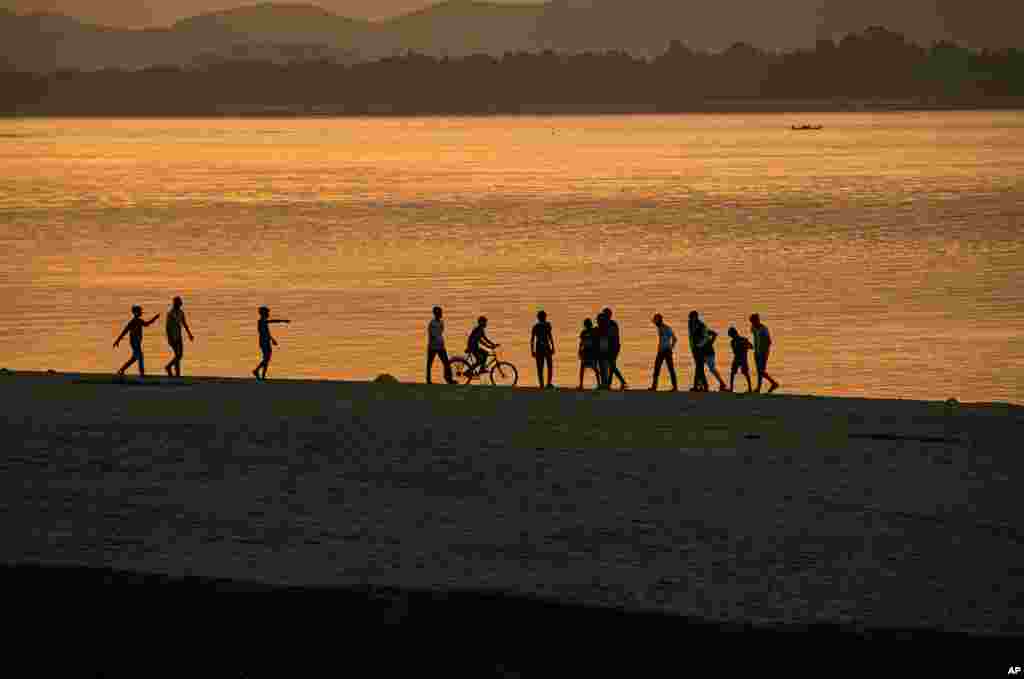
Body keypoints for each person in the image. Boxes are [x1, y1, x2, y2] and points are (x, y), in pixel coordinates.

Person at [114, 305, 160, 377]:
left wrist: (155, 318)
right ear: (135, 313)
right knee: (140, 357)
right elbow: (125, 331)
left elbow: (146, 324)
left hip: (137, 342)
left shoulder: (139, 321)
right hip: (134, 342)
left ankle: (122, 370)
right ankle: (142, 373)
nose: (141, 313)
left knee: (134, 358)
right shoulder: (132, 322)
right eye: (139, 312)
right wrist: (117, 340)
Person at [692, 312, 727, 391]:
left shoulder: (702, 327)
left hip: (708, 352)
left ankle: (722, 384)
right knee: (700, 369)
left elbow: (714, 334)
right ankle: (700, 386)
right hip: (702, 352)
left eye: (693, 318)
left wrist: (710, 343)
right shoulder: (697, 328)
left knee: (711, 369)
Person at [253, 306, 290, 380]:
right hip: (264, 342)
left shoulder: (263, 321)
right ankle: (257, 370)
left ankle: (263, 375)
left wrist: (272, 339)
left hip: (265, 341)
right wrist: (272, 339)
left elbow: (268, 329)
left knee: (267, 358)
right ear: (264, 313)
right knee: (266, 358)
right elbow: (265, 332)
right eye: (267, 313)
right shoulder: (261, 321)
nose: (268, 314)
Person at [164, 296, 194, 377]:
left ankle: (177, 374)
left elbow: (184, 324)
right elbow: (167, 327)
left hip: (179, 336)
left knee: (178, 355)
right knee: (178, 355)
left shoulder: (181, 312)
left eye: (180, 302)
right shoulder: (170, 313)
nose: (180, 304)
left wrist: (189, 334)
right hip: (173, 337)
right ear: (175, 303)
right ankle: (168, 367)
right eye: (179, 302)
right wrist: (169, 338)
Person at [750, 313, 779, 393]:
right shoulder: (753, 328)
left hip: (763, 353)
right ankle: (759, 388)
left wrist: (765, 352)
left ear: (757, 320)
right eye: (752, 322)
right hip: (756, 352)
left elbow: (769, 342)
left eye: (754, 321)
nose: (753, 323)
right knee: (759, 371)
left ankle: (773, 383)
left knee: (761, 371)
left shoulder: (764, 329)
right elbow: (755, 337)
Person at [426, 306, 456, 385]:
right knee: (429, 364)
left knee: (446, 363)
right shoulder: (432, 323)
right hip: (432, 347)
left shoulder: (441, 322)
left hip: (441, 346)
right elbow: (432, 335)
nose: (441, 314)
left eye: (441, 312)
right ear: (436, 314)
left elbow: (441, 331)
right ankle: (428, 380)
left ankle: (449, 379)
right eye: (439, 312)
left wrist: (440, 341)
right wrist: (438, 340)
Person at [649, 313, 678, 391]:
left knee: (669, 369)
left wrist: (671, 348)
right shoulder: (660, 328)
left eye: (655, 321)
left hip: (666, 351)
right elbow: (673, 339)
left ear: (659, 320)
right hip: (661, 351)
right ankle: (654, 386)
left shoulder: (666, 328)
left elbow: (675, 339)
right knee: (657, 369)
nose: (654, 323)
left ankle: (674, 387)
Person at [602, 307, 628, 390]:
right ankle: (610, 384)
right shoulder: (607, 324)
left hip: (614, 347)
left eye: (605, 314)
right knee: (611, 366)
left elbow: (612, 335)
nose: (604, 316)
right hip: (611, 347)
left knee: (612, 366)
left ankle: (619, 382)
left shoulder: (612, 324)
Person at [530, 310, 555, 389]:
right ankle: (548, 383)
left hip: (538, 347)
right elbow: (550, 336)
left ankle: (541, 384)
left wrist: (532, 350)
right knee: (549, 366)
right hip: (546, 347)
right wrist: (553, 347)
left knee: (540, 367)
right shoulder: (548, 325)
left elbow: (532, 340)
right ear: (545, 317)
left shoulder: (535, 326)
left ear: (538, 318)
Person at [727, 326, 753, 393]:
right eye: (731, 335)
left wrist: (745, 346)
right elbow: (735, 351)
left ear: (734, 333)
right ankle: (731, 388)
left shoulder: (742, 340)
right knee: (734, 373)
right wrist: (744, 346)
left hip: (741, 358)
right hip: (739, 358)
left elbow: (751, 347)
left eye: (731, 335)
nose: (731, 337)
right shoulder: (734, 341)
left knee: (744, 373)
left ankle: (749, 388)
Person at [577, 318, 600, 389]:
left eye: (588, 324)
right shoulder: (584, 332)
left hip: (591, 352)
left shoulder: (594, 331)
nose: (587, 325)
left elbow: (596, 341)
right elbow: (581, 342)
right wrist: (580, 351)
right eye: (586, 324)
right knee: (583, 368)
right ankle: (581, 384)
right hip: (586, 352)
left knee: (594, 368)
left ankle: (599, 384)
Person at [595, 311, 613, 389]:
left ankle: (605, 384)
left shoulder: (604, 328)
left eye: (598, 320)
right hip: (602, 350)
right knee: (603, 367)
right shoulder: (602, 328)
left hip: (604, 349)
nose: (597, 321)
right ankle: (604, 384)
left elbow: (605, 339)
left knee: (604, 367)